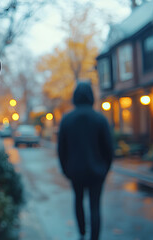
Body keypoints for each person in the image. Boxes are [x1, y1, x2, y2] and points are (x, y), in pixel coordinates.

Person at [57, 82, 113, 240]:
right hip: (97, 172)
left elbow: (61, 149)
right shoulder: (100, 119)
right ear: (91, 96)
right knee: (95, 206)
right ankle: (94, 237)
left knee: (78, 202)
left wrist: (66, 170)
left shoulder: (67, 119)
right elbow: (109, 149)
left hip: (75, 172)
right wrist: (104, 169)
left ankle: (81, 233)